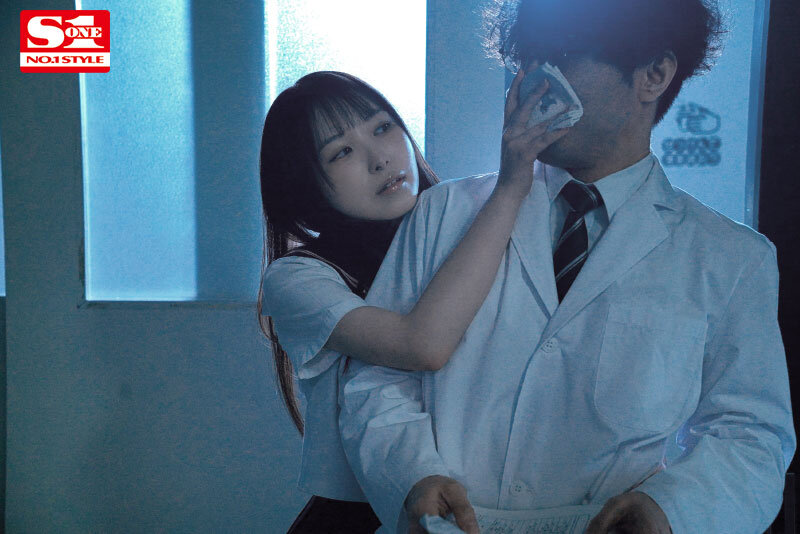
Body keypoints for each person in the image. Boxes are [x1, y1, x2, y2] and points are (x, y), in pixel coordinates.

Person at [337, 1, 796, 533]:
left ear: (653, 74)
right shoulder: (444, 212)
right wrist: (410, 476)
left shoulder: (730, 258)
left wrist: (671, 509)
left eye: (561, 58)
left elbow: (750, 435)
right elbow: (377, 376)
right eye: (528, 60)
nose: (535, 85)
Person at [256, 71, 568, 532]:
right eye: (342, 152)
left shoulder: (468, 223)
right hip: (361, 515)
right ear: (304, 184)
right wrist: (510, 187)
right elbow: (421, 346)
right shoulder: (297, 278)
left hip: (478, 505)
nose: (380, 158)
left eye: (383, 127)